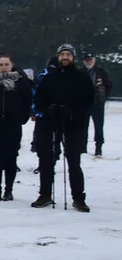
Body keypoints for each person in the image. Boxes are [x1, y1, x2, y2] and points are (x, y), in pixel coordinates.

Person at [32, 44, 95, 211]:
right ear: (58, 57)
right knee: (46, 160)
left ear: (73, 57)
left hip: (73, 124)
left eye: (68, 54)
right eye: (62, 55)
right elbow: (38, 99)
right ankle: (45, 194)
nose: (65, 57)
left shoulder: (81, 77)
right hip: (50, 123)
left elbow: (88, 101)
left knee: (74, 161)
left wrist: (72, 111)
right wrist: (47, 110)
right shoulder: (49, 77)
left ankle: (78, 198)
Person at [0, 54, 32, 201]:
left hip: (13, 123)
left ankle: (8, 189)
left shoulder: (20, 81)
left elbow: (27, 99)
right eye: (1, 65)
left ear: (12, 65)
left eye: (6, 64)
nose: (3, 67)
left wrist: (22, 117)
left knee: (11, 158)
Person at [84, 53, 112, 157]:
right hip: (84, 104)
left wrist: (103, 98)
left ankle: (98, 148)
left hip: (98, 104)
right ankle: (83, 148)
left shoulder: (102, 72)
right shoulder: (80, 72)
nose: (88, 62)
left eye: (90, 60)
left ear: (94, 60)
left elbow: (109, 85)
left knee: (99, 127)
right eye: (87, 60)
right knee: (83, 127)